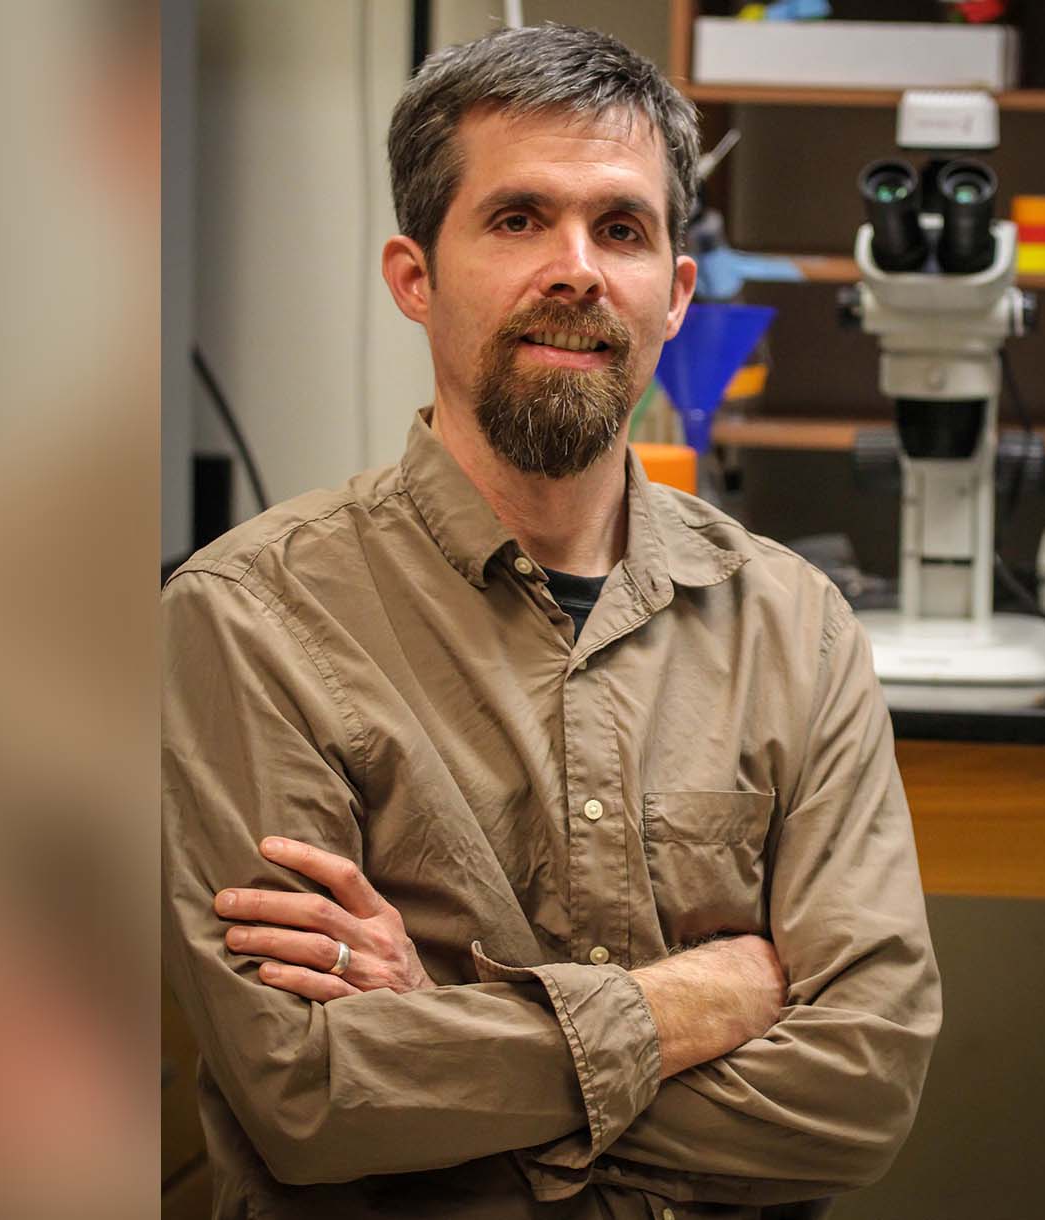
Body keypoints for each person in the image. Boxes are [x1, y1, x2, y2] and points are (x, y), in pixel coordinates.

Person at [162, 23, 940, 1220]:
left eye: (621, 227)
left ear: (677, 293)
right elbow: (309, 1099)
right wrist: (701, 1000)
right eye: (518, 218)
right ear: (413, 276)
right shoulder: (249, 620)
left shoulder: (799, 628)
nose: (576, 269)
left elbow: (868, 1084)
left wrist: (445, 1051)